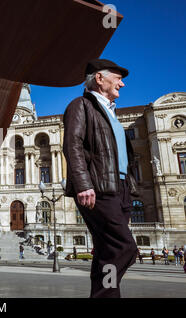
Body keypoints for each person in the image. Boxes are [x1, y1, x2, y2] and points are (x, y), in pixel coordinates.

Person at [63, 59, 138, 298]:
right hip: (99, 187)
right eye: (118, 78)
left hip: (121, 187)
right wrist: (83, 184)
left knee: (107, 252)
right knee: (124, 247)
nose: (122, 84)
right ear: (99, 78)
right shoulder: (81, 105)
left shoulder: (111, 113)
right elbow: (72, 146)